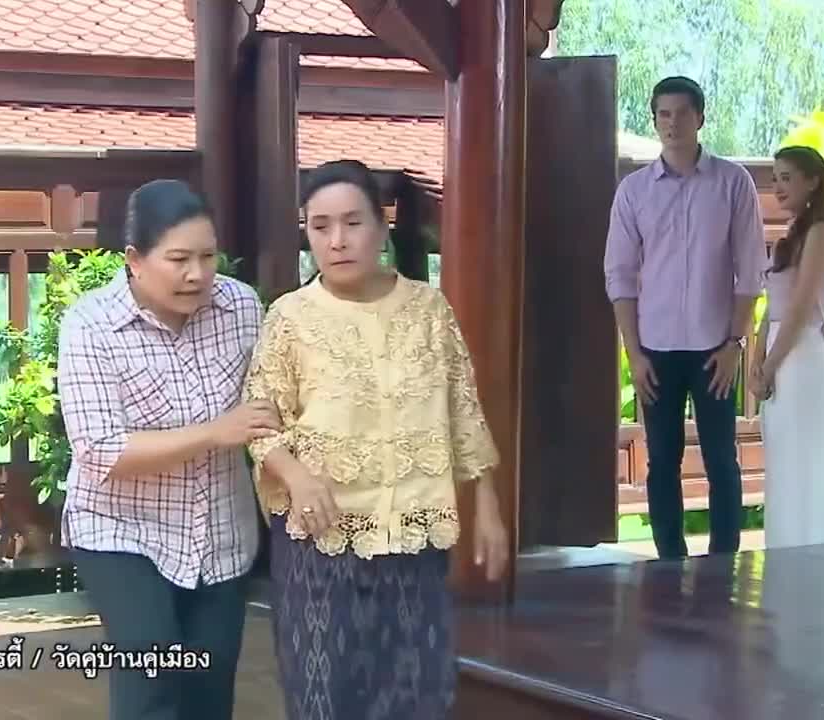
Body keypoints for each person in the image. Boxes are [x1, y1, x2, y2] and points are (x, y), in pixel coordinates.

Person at [243, 159, 510, 720]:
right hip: (319, 540)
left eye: (352, 222)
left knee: (417, 694)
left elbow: (462, 409)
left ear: (381, 226)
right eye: (320, 227)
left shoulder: (429, 310)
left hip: (415, 537)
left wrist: (486, 506)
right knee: (324, 698)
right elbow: (261, 421)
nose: (337, 241)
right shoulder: (289, 318)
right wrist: (296, 477)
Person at [56, 179, 277, 720]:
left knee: (207, 694)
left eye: (208, 256)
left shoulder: (240, 307)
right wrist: (215, 432)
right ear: (134, 260)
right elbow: (100, 450)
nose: (197, 274)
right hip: (120, 531)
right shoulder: (91, 324)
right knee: (150, 676)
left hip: (220, 533)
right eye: (178, 259)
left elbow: (272, 403)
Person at [604, 76, 767, 559]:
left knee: (721, 459)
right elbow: (619, 275)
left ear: (701, 118)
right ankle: (669, 562)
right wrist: (633, 353)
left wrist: (735, 343)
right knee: (662, 461)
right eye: (663, 114)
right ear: (655, 120)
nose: (672, 123)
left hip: (716, 347)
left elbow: (750, 269)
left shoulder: (733, 183)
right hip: (655, 348)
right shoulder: (634, 191)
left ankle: (724, 561)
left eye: (681, 113)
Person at [750, 145, 824, 549]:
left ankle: (813, 562)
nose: (778, 186)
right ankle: (785, 559)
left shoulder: (822, 232)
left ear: (813, 181)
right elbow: (771, 310)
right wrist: (757, 361)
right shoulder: (790, 237)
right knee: (784, 465)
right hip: (782, 354)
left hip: (804, 359)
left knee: (807, 466)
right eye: (775, 179)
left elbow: (802, 305)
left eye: (787, 178)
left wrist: (770, 364)